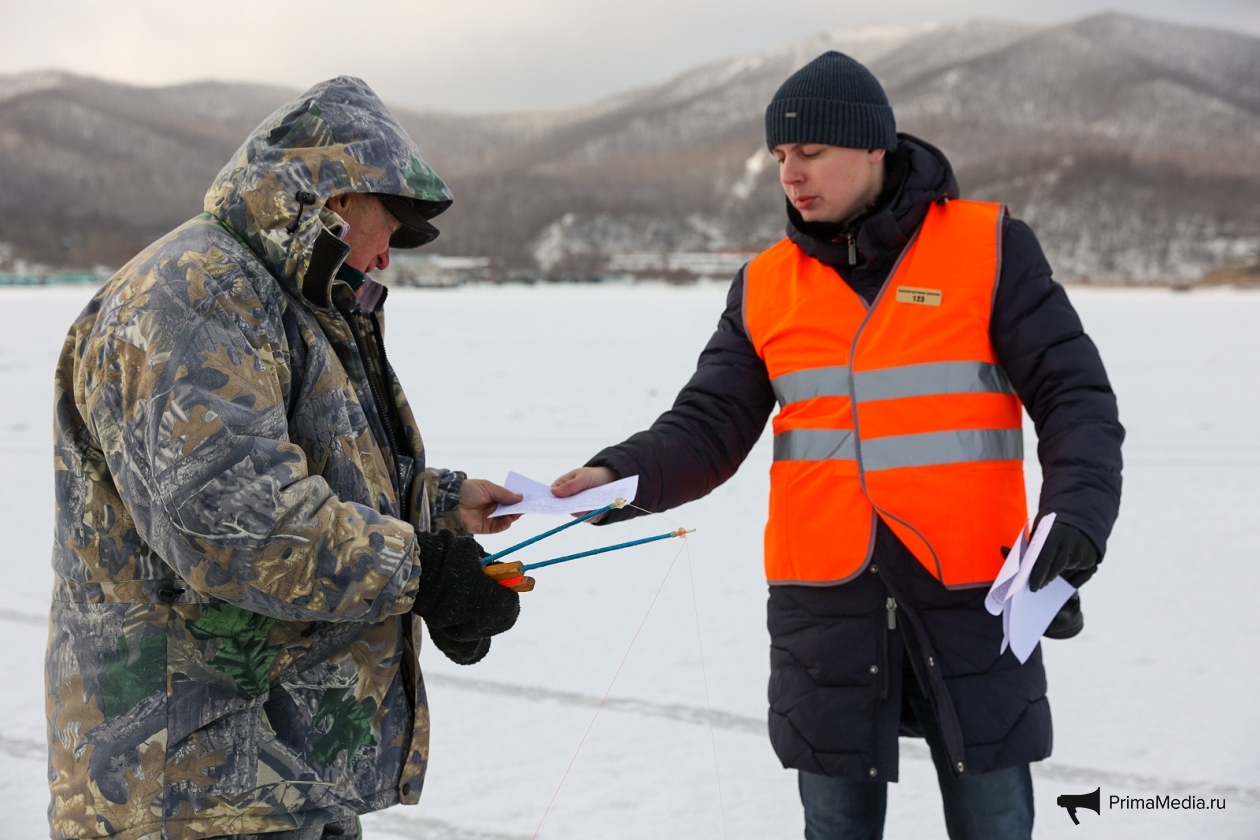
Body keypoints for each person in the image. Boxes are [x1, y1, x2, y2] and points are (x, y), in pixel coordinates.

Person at [551, 52, 1123, 839]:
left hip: (974, 595)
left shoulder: (989, 248)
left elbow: (1076, 398)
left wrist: (1079, 517)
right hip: (825, 604)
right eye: (781, 156)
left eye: (811, 152)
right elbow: (707, 424)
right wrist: (619, 475)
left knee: (995, 821)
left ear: (873, 147)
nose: (792, 173)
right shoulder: (764, 285)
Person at [46, 77, 523, 840]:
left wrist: (436, 506)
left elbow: (315, 472)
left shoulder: (290, 300)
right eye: (389, 230)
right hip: (188, 789)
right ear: (335, 198)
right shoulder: (192, 296)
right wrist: (422, 570)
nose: (385, 257)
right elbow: (234, 520)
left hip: (278, 771)